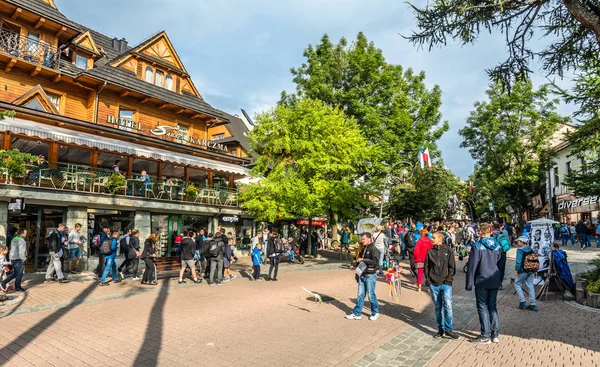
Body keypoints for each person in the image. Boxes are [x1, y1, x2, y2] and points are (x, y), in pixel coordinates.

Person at [466, 223, 502, 344]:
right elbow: (501, 264)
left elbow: (472, 265)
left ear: (480, 232)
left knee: (482, 307)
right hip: (495, 278)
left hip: (482, 279)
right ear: (491, 231)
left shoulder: (477, 246)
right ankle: (495, 334)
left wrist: (469, 282)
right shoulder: (497, 245)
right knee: (492, 306)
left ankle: (485, 335)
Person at [424, 232, 459, 339]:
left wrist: (449, 280)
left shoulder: (448, 251)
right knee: (438, 307)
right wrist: (428, 280)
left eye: (434, 238)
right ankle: (441, 329)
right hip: (434, 284)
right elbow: (426, 266)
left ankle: (449, 329)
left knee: (448, 306)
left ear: (440, 239)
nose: (432, 239)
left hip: (445, 283)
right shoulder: (430, 252)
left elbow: (452, 267)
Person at [346, 233, 380, 321]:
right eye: (362, 239)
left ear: (369, 239)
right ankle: (357, 313)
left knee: (371, 295)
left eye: (364, 239)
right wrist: (354, 264)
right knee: (360, 295)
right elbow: (359, 259)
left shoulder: (374, 249)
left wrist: (363, 260)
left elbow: (375, 262)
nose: (362, 241)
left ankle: (375, 312)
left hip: (370, 275)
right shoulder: (364, 248)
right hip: (362, 274)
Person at [514, 235, 538, 311]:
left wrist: (516, 270)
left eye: (518, 241)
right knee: (531, 286)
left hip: (522, 270)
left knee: (517, 284)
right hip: (531, 270)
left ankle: (522, 301)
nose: (517, 242)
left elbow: (518, 262)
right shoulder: (530, 249)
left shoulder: (520, 250)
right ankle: (533, 304)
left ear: (522, 242)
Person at [492, 223, 509, 290]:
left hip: (494, 253)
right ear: (499, 227)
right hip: (502, 253)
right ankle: (500, 283)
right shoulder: (504, 234)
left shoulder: (491, 234)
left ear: (493, 227)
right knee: (501, 268)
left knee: (494, 268)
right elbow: (508, 242)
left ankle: (494, 282)